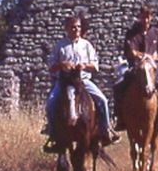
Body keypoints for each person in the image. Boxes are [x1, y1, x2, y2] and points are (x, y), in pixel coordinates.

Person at [43, 16, 120, 152]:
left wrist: (84, 65)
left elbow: (95, 66)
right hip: (63, 82)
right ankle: (52, 133)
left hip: (83, 81)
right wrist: (62, 64)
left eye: (78, 26)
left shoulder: (86, 45)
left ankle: (106, 131)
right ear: (66, 28)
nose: (76, 29)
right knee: (51, 103)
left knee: (103, 100)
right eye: (73, 27)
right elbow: (51, 67)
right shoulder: (59, 46)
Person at [113, 4, 158, 133]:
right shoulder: (132, 33)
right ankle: (120, 118)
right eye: (143, 17)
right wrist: (147, 56)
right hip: (136, 67)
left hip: (153, 68)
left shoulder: (157, 33)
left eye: (148, 17)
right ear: (139, 17)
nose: (145, 20)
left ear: (151, 17)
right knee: (118, 86)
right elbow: (131, 52)